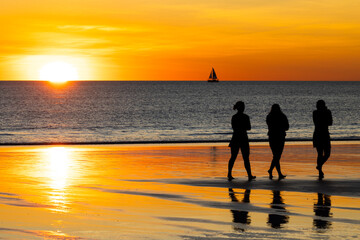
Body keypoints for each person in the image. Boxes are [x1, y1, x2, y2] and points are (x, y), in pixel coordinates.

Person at [227, 101, 256, 181]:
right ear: (242, 108)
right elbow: (249, 127)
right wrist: (243, 127)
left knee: (233, 157)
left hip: (235, 137)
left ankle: (229, 174)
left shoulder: (234, 117)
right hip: (243, 137)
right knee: (245, 158)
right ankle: (249, 175)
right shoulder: (246, 117)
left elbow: (234, 127)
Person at [266, 104, 289, 180]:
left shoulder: (269, 116)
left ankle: (275, 171)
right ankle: (274, 171)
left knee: (276, 155)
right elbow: (287, 127)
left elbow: (269, 125)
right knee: (277, 156)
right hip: (280, 137)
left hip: (272, 137)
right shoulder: (283, 116)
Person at [313, 100, 332, 179]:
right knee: (320, 153)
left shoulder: (327, 112)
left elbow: (330, 122)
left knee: (326, 153)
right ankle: (320, 170)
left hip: (322, 134)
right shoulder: (316, 112)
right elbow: (317, 122)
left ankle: (319, 166)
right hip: (320, 134)